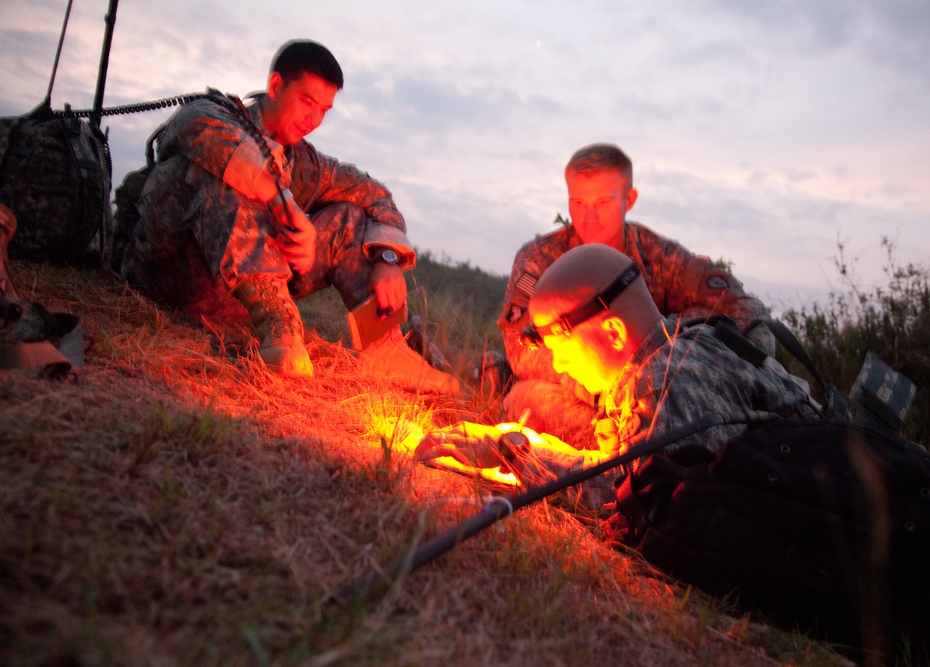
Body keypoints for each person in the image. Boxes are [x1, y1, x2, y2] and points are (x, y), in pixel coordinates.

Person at [119, 39, 458, 393]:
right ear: (276, 86)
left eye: (324, 110)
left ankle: (383, 348)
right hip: (169, 277)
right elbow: (203, 131)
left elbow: (376, 195)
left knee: (349, 218)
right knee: (228, 174)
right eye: (306, 102)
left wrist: (388, 257)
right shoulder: (213, 115)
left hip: (229, 301)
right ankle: (280, 328)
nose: (313, 119)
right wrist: (285, 204)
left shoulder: (306, 164)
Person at [427, 243, 821, 506]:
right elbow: (615, 461)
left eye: (561, 347)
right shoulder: (673, 345)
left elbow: (621, 491)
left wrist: (509, 451)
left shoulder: (668, 378)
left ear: (614, 333)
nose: (559, 364)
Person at [495, 143, 774, 447]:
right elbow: (523, 351)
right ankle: (632, 446)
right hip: (586, 392)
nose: (589, 217)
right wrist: (605, 390)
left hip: (660, 386)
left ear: (629, 200)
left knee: (699, 331)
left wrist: (695, 358)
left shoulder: (658, 254)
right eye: (577, 203)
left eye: (602, 202)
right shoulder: (540, 257)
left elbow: (747, 314)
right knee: (527, 398)